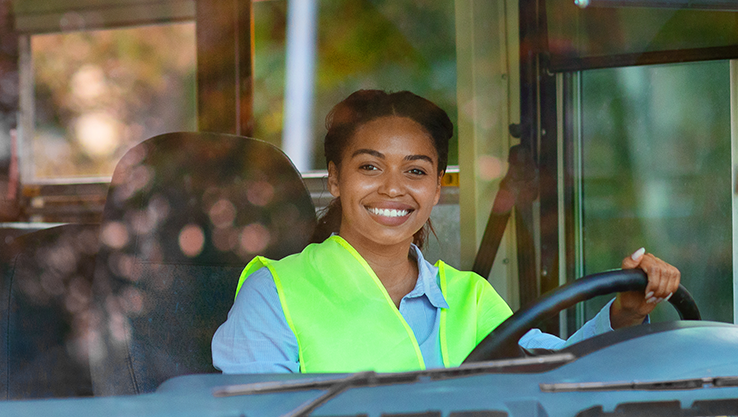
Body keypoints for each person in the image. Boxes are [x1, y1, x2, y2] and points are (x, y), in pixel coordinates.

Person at [211, 89, 681, 373]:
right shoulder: (275, 293)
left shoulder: (468, 297)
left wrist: (624, 314)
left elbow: (560, 376)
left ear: (437, 188)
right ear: (335, 179)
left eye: (415, 172)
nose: (393, 189)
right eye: (370, 167)